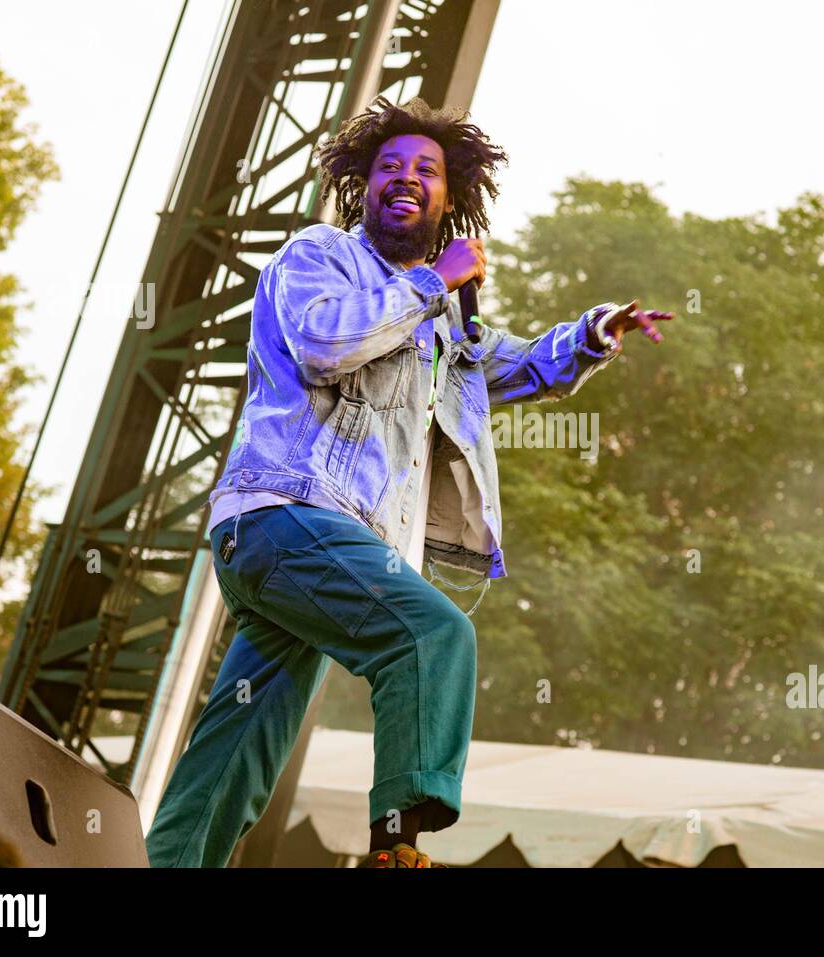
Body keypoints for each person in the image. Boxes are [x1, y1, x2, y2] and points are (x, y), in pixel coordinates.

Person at [145, 94, 674, 868]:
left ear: (449, 197)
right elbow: (327, 343)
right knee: (433, 635)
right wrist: (436, 281)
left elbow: (521, 364)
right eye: (388, 165)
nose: (405, 176)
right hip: (283, 514)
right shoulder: (319, 256)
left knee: (240, 743)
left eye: (425, 169)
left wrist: (595, 333)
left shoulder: (443, 328)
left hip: (324, 548)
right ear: (364, 185)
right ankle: (397, 840)